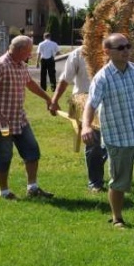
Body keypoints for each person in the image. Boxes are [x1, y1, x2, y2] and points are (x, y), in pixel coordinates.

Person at [81, 33, 134, 233]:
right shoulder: (102, 78)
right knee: (119, 182)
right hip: (119, 137)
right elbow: (90, 105)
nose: (126, 50)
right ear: (107, 52)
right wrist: (86, 126)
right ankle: (117, 218)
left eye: (128, 46)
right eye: (121, 48)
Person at [0, 35, 54, 200]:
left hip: (19, 119)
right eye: (29, 51)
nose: (31, 54)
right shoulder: (1, 65)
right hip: (2, 124)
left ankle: (32, 188)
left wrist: (48, 98)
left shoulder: (20, 64)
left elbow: (30, 83)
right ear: (20, 50)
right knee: (4, 155)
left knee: (32, 151)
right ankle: (4, 192)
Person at [50, 46, 106, 192]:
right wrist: (54, 100)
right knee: (93, 142)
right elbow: (65, 79)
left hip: (110, 101)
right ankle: (95, 183)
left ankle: (115, 180)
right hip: (85, 100)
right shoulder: (79, 53)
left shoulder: (116, 49)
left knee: (109, 145)